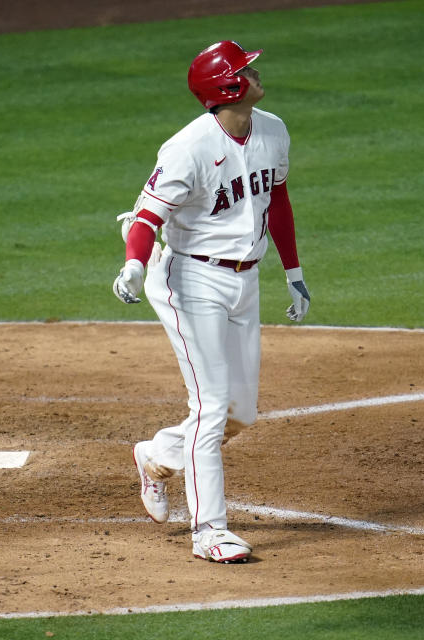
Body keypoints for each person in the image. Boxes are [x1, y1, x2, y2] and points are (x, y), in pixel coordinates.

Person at [112, 40, 311, 563]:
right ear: (226, 88)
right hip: (190, 282)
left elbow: (278, 200)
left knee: (241, 411)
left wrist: (293, 271)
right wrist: (134, 263)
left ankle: (155, 457)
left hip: (246, 281)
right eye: (245, 69)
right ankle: (209, 532)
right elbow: (147, 217)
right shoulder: (187, 148)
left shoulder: (273, 128)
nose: (255, 71)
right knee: (210, 406)